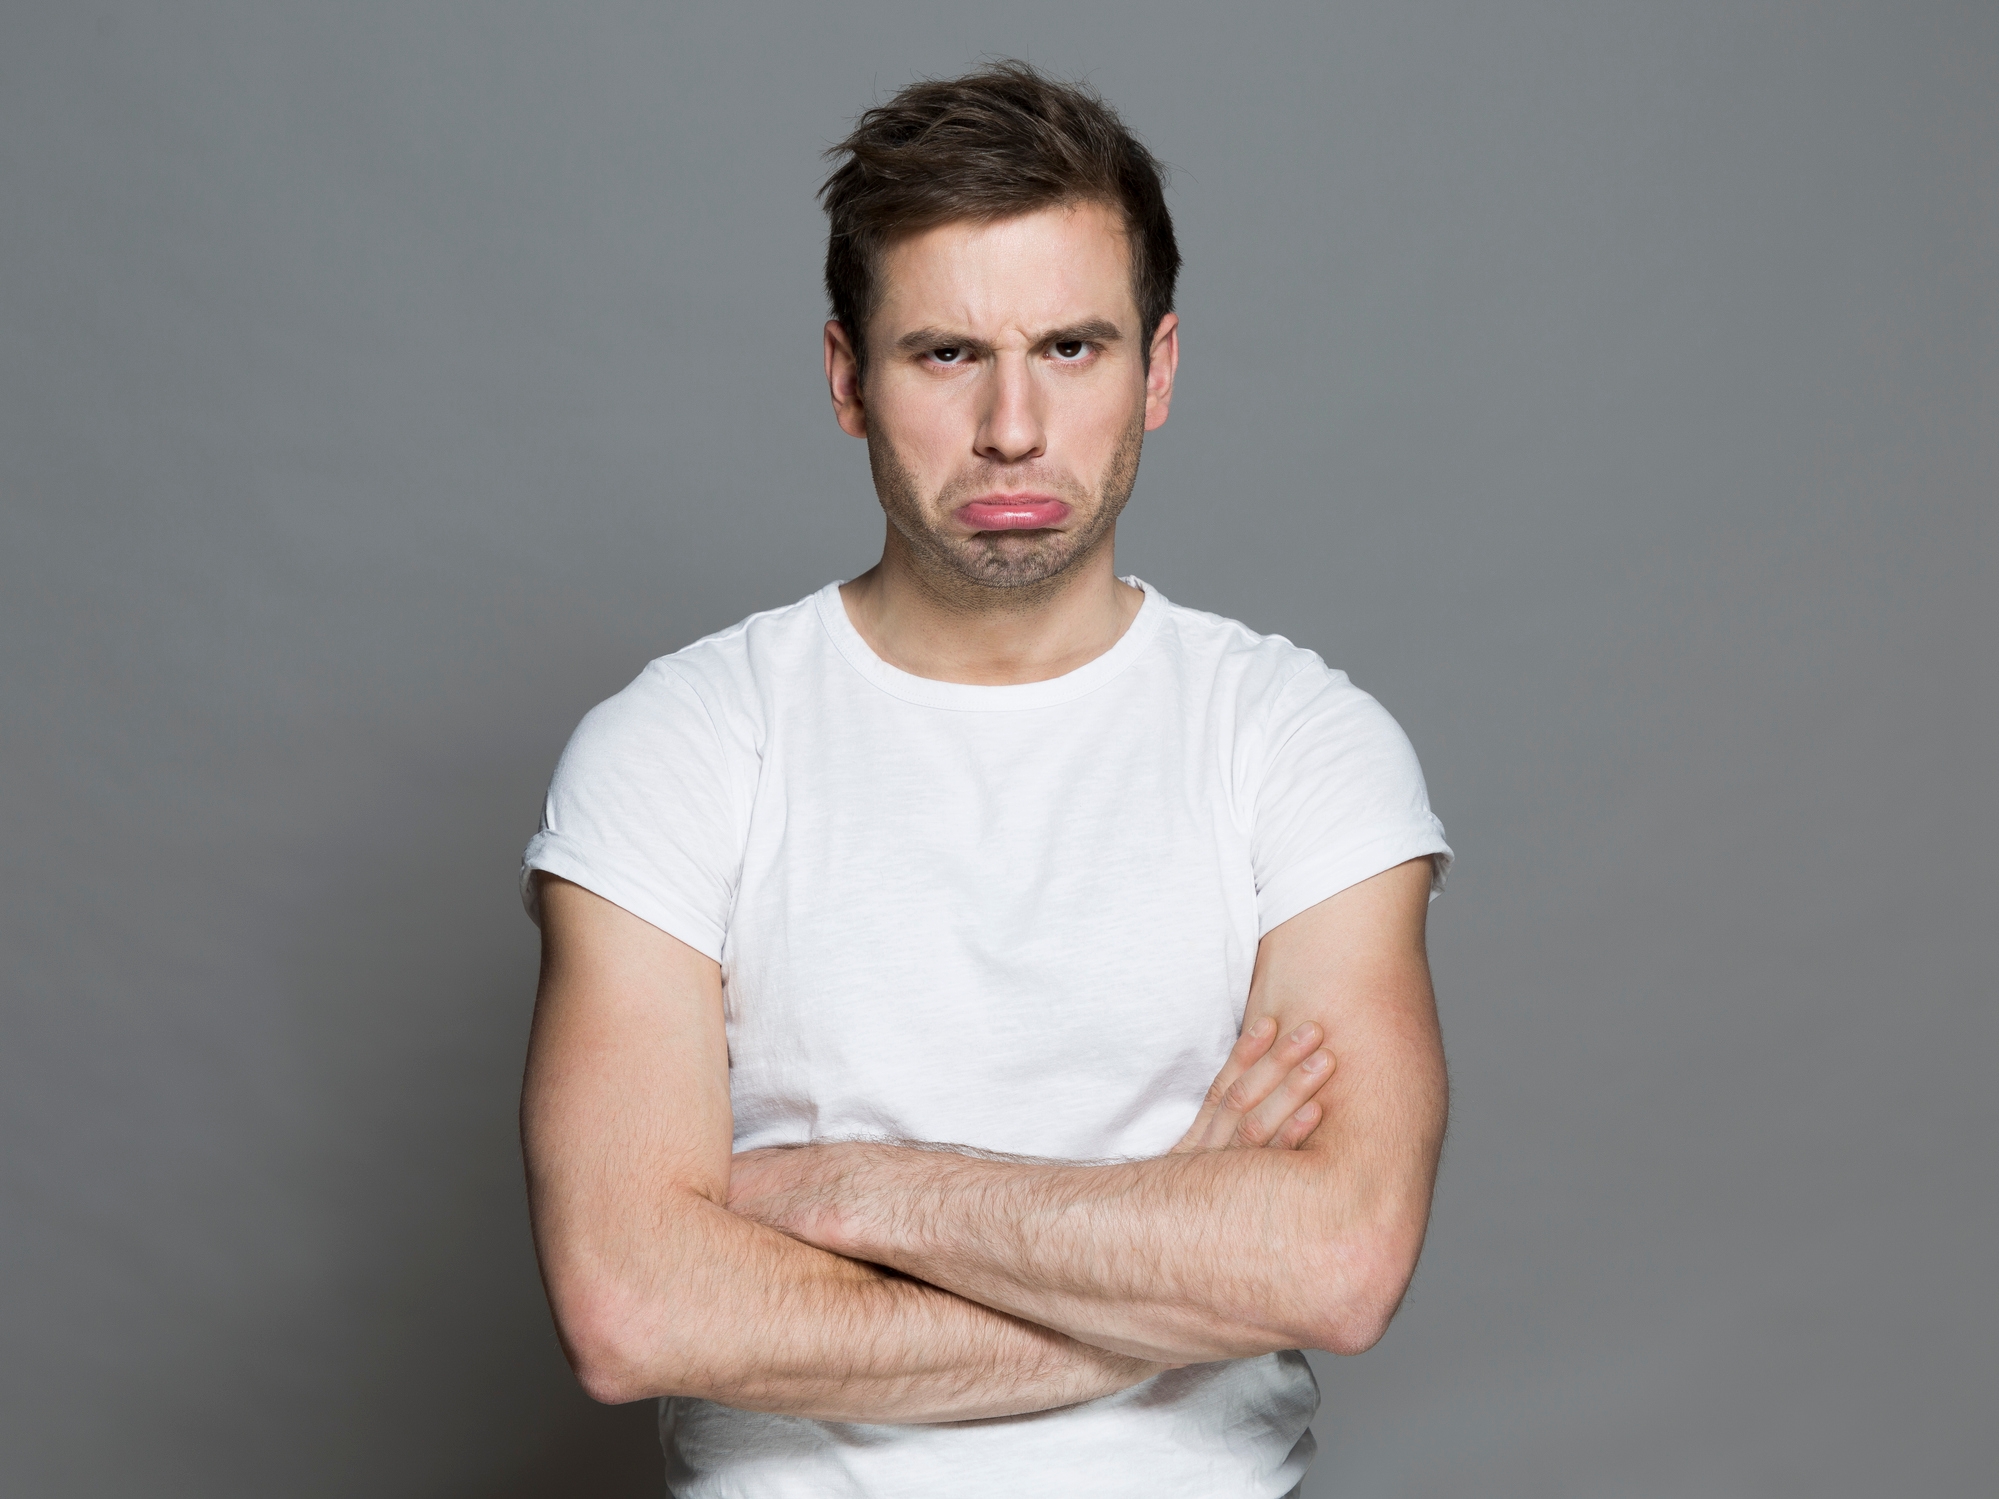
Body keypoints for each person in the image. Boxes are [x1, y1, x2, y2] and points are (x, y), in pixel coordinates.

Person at [519, 61, 1453, 1498]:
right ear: (848, 377)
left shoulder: (1299, 743)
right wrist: (1168, 1245)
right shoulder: (683, 747)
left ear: (1160, 368)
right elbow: (635, 1307)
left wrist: (840, 1191)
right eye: (946, 354)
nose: (1013, 426)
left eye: (1072, 349)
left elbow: (1334, 1263)